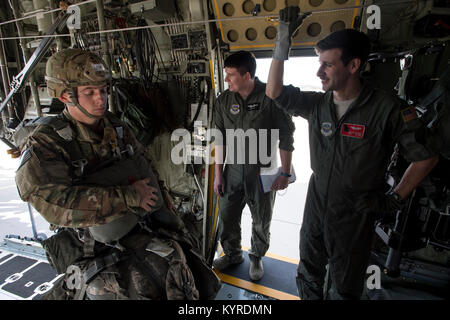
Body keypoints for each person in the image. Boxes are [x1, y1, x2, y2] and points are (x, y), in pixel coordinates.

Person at [15, 48, 220, 300]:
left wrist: (173, 224)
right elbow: (55, 204)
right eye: (90, 93)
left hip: (138, 229)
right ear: (67, 96)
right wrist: (128, 196)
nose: (101, 99)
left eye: (103, 90)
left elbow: (148, 171)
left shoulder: (116, 127)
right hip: (90, 247)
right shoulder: (47, 144)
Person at [265, 6, 439, 299]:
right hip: (317, 203)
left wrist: (395, 198)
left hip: (356, 212)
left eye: (327, 65)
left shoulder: (387, 109)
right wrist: (283, 42)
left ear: (354, 66)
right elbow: (274, 92)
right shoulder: (318, 104)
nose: (319, 72)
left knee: (344, 286)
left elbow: (426, 156)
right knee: (308, 272)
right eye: (319, 63)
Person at [212, 50, 295, 281]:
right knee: (227, 216)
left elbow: (287, 135)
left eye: (230, 75)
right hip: (233, 171)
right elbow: (219, 138)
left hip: (264, 171)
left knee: (261, 218)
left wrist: (286, 173)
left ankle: (256, 257)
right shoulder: (224, 100)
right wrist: (219, 174)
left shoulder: (271, 97)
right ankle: (232, 254)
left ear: (247, 75)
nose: (226, 79)